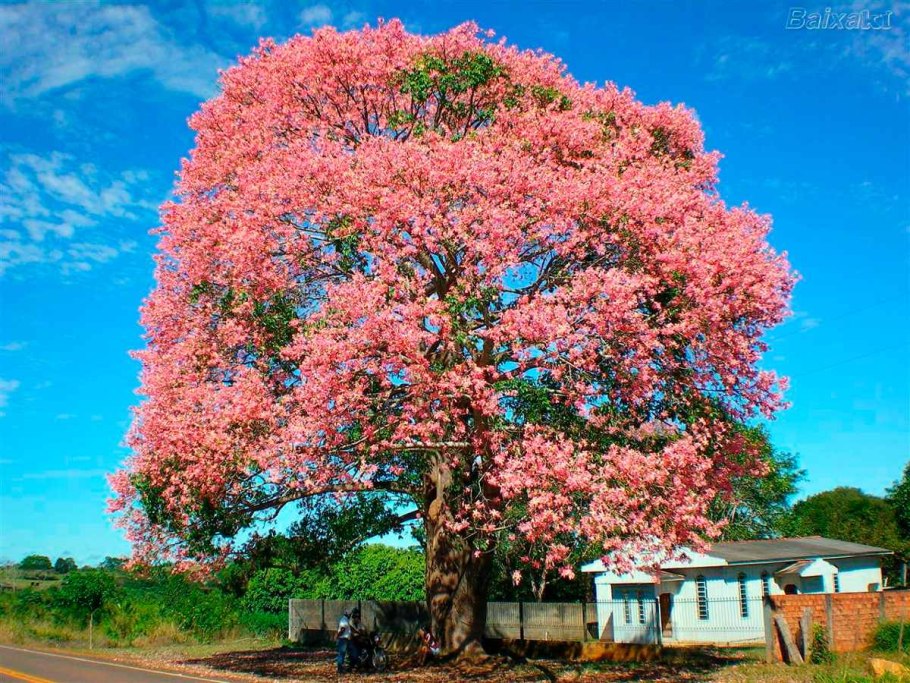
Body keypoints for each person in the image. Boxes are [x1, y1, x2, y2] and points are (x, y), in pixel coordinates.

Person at [336, 609, 352, 673]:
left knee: (344, 654)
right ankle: (340, 669)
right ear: (347, 614)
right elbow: (342, 630)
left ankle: (342, 668)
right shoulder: (344, 620)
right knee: (341, 654)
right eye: (349, 614)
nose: (350, 615)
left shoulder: (345, 620)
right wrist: (337, 636)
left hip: (345, 639)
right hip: (343, 639)